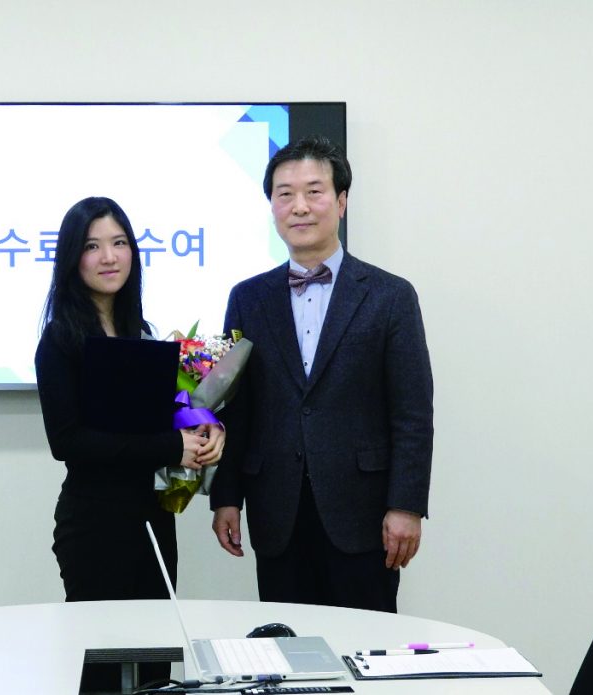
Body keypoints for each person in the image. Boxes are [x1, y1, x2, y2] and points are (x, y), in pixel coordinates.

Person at [209, 136, 433, 612]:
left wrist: (406, 505)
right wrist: (225, 497)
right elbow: (237, 406)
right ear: (272, 206)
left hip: (364, 514)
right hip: (276, 509)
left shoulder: (390, 296)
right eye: (285, 194)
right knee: (286, 644)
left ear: (341, 201)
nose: (300, 206)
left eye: (314, 191)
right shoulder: (248, 297)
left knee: (366, 644)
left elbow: (412, 412)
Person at [36, 196, 224, 603]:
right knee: (102, 643)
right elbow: (67, 442)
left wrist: (204, 425)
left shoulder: (139, 332)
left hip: (153, 516)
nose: (109, 257)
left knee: (157, 639)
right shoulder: (60, 339)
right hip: (95, 524)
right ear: (72, 258)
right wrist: (172, 446)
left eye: (119, 243)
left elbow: (150, 418)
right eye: (92, 246)